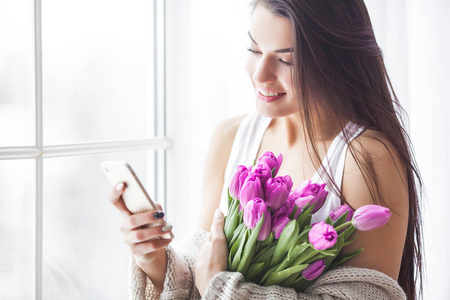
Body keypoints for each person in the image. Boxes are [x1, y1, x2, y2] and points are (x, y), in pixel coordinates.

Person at [108, 0, 423, 299]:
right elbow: (200, 273)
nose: (260, 74)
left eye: (286, 59)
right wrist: (152, 258)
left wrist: (223, 289)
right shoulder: (230, 138)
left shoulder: (365, 158)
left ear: (336, 61)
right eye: (253, 49)